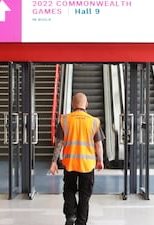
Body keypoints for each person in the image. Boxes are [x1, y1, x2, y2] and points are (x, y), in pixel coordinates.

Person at [49, 92, 105, 225]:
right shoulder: (94, 122)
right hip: (87, 165)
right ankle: (81, 222)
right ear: (86, 105)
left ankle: (70, 215)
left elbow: (58, 144)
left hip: (70, 164)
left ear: (72, 105)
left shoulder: (64, 120)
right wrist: (100, 161)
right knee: (84, 196)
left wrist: (53, 162)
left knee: (69, 190)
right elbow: (99, 145)